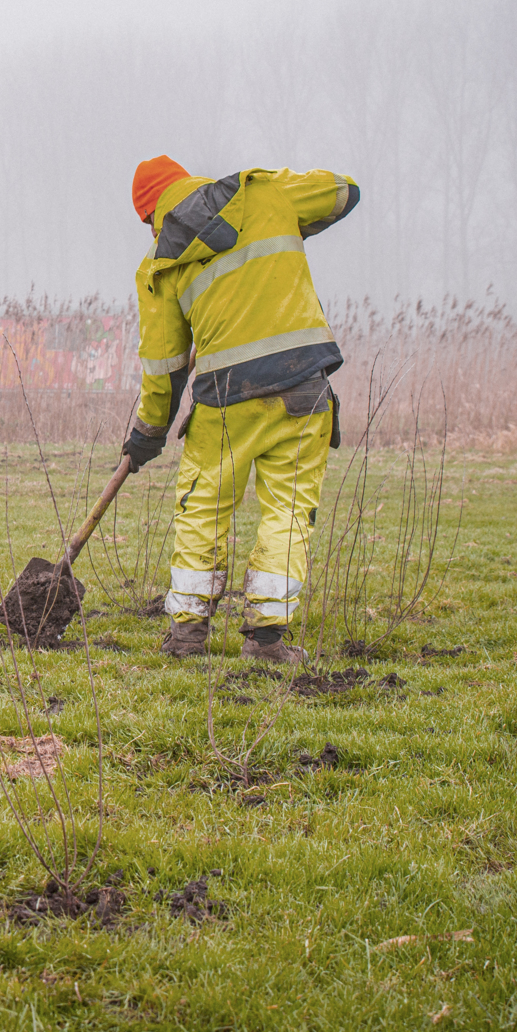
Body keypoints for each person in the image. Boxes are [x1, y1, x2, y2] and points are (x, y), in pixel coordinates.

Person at [120, 155, 360, 663]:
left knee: (202, 507)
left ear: (151, 216)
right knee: (289, 511)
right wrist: (288, 215)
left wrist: (148, 431)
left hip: (224, 403)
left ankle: (186, 636)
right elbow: (343, 191)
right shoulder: (263, 195)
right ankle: (267, 642)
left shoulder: (159, 263)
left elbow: (163, 367)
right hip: (302, 389)